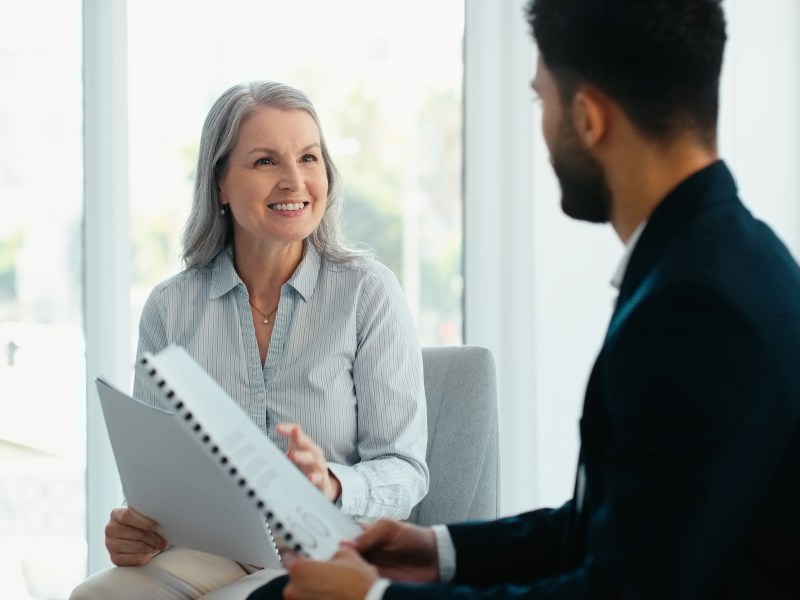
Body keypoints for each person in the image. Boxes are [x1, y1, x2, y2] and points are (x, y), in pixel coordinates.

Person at [248, 0, 800, 598]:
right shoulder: (733, 256)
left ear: (589, 119)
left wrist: (374, 597)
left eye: (543, 100)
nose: (542, 127)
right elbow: (626, 526)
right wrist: (440, 550)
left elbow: (621, 590)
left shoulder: (692, 308)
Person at [70, 80, 429, 600]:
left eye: (308, 157)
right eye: (265, 161)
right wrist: (135, 528)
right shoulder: (170, 308)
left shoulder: (367, 294)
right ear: (220, 183)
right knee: (99, 596)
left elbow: (407, 471)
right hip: (213, 553)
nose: (294, 180)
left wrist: (330, 484)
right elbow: (156, 479)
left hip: (330, 553)